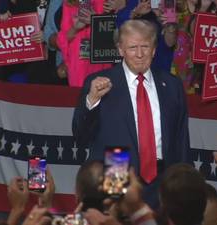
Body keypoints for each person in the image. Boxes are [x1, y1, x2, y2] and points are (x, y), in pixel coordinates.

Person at [73, 19, 190, 205]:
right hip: (116, 170)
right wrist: (92, 100)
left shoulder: (172, 85)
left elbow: (181, 138)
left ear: (154, 49)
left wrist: (185, 182)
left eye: (145, 46)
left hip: (163, 179)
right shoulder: (99, 82)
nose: (139, 54)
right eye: (132, 47)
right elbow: (81, 136)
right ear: (120, 50)